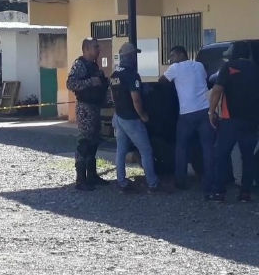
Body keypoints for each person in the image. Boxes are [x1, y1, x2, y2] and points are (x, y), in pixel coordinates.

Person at [208, 44, 259, 203]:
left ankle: (219, 192)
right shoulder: (256, 69)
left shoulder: (228, 67)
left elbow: (217, 90)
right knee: (247, 157)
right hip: (251, 120)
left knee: (221, 155)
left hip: (230, 120)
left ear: (234, 54)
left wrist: (211, 112)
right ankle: (245, 193)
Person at [160, 46, 215, 199]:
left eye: (172, 56)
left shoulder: (175, 68)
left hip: (187, 114)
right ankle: (208, 183)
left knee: (182, 147)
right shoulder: (199, 66)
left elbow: (161, 81)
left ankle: (181, 181)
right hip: (204, 110)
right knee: (207, 147)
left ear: (180, 54)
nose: (171, 59)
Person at [110, 42, 160, 193]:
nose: (135, 58)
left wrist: (118, 110)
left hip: (119, 117)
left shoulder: (115, 74)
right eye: (134, 55)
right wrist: (142, 115)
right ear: (130, 56)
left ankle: (121, 182)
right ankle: (152, 183)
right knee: (146, 150)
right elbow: (136, 99)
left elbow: (112, 96)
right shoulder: (131, 74)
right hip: (131, 119)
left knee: (121, 151)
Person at [66, 38, 110, 191]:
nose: (98, 50)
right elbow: (70, 83)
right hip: (85, 108)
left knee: (94, 141)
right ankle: (80, 179)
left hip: (95, 107)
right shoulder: (80, 65)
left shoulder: (93, 65)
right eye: (95, 47)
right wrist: (91, 82)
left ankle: (92, 175)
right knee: (84, 143)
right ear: (86, 49)